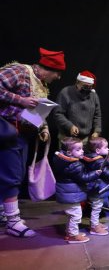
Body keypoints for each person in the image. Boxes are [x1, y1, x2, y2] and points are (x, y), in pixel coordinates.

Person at [0, 47, 65, 237]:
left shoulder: (41, 85)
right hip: (5, 130)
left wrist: (42, 128)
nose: (58, 78)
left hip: (21, 134)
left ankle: (4, 212)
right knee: (11, 175)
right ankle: (13, 221)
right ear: (47, 68)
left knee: (15, 174)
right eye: (57, 73)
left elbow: (33, 113)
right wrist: (21, 100)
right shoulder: (20, 71)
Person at [53, 137, 102, 243]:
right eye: (78, 149)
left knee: (72, 214)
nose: (82, 151)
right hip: (70, 194)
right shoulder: (75, 165)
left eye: (82, 148)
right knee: (76, 214)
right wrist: (96, 173)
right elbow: (84, 177)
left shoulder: (61, 160)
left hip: (66, 192)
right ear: (69, 152)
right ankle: (73, 236)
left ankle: (70, 232)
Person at [82, 137, 109, 234]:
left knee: (96, 207)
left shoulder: (91, 158)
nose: (108, 149)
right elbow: (107, 173)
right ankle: (94, 227)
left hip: (94, 187)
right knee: (97, 207)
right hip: (97, 189)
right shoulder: (99, 162)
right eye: (106, 147)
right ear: (98, 150)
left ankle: (95, 223)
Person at [53, 70, 101, 145]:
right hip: (67, 139)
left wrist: (97, 131)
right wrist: (70, 126)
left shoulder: (93, 95)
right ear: (77, 82)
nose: (87, 89)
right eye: (85, 86)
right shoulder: (66, 92)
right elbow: (58, 113)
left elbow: (97, 115)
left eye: (90, 87)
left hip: (85, 139)